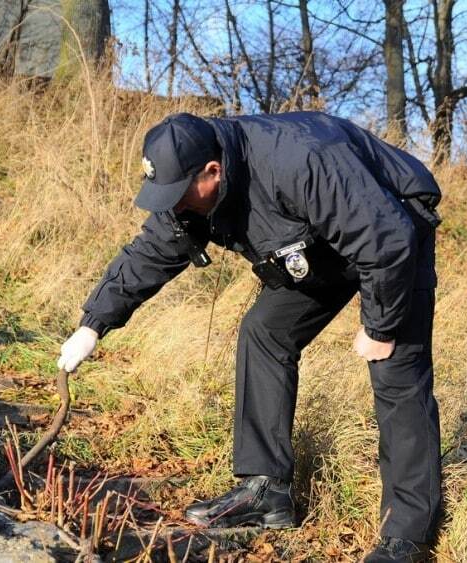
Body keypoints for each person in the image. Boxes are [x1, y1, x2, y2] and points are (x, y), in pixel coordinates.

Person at [57, 111, 442, 563]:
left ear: (213, 171)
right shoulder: (190, 192)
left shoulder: (300, 159)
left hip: (393, 227)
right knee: (266, 331)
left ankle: (407, 535)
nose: (174, 204)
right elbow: (152, 251)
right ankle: (266, 492)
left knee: (395, 368)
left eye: (179, 194)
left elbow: (386, 239)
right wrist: (92, 324)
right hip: (315, 241)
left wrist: (379, 327)